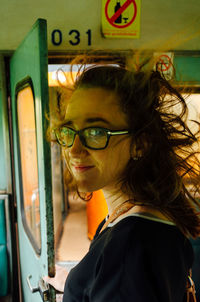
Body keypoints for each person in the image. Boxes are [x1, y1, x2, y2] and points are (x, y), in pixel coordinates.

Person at [46, 61, 200, 301]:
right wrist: (79, 280)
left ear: (140, 143)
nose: (74, 149)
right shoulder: (146, 215)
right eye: (69, 130)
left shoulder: (127, 248)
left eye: (96, 131)